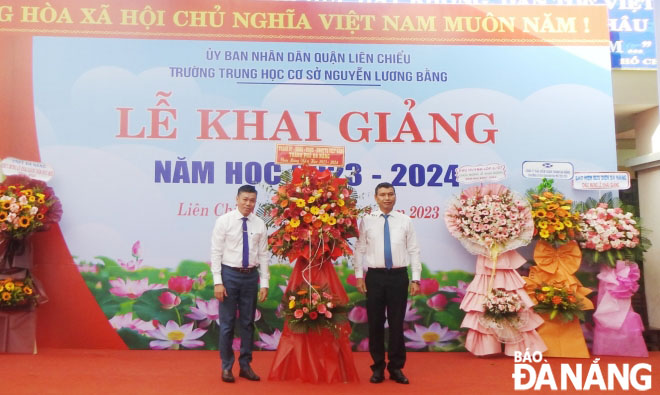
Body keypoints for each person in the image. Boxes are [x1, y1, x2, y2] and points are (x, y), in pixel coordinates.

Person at [354, 182, 421, 385]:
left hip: (399, 277)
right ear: (376, 198)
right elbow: (359, 249)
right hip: (375, 277)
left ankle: (396, 368)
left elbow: (414, 250)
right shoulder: (366, 221)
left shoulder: (405, 220)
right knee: (375, 323)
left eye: (390, 194)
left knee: (396, 323)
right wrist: (358, 275)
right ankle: (377, 368)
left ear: (395, 197)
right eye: (382, 195)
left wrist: (416, 278)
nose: (387, 198)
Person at [211, 184, 269, 383]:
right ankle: (226, 367)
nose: (248, 204)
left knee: (247, 323)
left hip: (250, 277)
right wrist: (218, 282)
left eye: (252, 200)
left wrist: (265, 282)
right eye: (244, 199)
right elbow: (216, 253)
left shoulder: (260, 224)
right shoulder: (224, 221)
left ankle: (245, 365)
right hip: (229, 275)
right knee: (227, 325)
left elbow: (263, 254)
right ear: (237, 199)